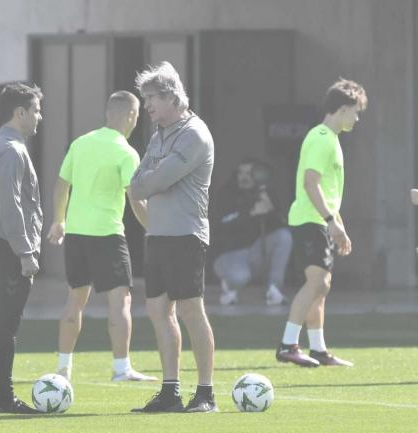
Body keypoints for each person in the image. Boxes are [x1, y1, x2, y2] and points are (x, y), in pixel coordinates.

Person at [47, 91, 157, 383]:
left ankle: (62, 369)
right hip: (107, 234)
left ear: (108, 113)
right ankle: (121, 369)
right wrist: (154, 229)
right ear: (132, 116)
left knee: (74, 301)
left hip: (76, 234)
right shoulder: (126, 152)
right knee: (120, 302)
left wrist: (59, 220)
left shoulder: (81, 143)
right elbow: (135, 199)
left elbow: (61, 185)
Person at [129, 61, 217, 413]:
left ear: (171, 97)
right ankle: (170, 391)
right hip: (159, 235)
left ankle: (206, 393)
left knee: (192, 312)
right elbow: (135, 184)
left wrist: (149, 178)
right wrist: (148, 178)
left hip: (186, 235)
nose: (147, 106)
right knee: (157, 310)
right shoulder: (158, 135)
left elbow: (154, 182)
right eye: (144, 98)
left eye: (151, 98)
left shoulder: (194, 134)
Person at [276, 78, 367, 367]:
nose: (357, 117)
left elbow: (328, 190)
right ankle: (288, 344)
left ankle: (318, 350)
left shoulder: (331, 139)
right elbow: (310, 183)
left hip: (320, 220)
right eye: (355, 111)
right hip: (309, 220)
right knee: (318, 282)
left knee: (321, 286)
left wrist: (338, 225)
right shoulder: (321, 138)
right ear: (342, 109)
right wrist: (330, 220)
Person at [0, 83, 43, 414]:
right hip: (9, 248)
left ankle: (4, 397)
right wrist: (25, 252)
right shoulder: (11, 150)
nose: (39, 117)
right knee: (7, 322)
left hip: (2, 245)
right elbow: (11, 205)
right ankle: (4, 399)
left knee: (6, 320)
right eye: (35, 110)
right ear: (20, 113)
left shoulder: (1, 146)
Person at [213, 158, 291, 306]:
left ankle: (273, 290)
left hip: (255, 255)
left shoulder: (265, 193)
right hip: (228, 256)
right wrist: (250, 213)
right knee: (240, 276)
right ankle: (228, 286)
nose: (244, 177)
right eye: (241, 173)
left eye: (249, 173)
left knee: (284, 236)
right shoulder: (226, 193)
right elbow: (221, 224)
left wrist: (270, 210)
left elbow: (281, 225)